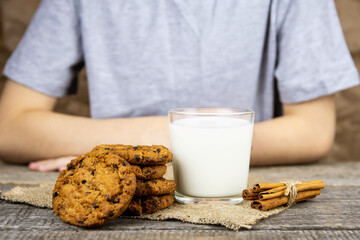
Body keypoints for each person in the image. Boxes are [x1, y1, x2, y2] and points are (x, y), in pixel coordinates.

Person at [0, 0, 358, 171]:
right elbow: (10, 127)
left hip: (240, 195)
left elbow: (313, 130)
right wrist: (193, 138)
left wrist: (159, 138)